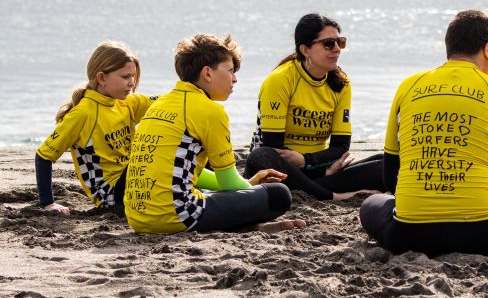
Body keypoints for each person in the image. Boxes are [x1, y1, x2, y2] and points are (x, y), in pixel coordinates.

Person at [360, 9, 488, 256]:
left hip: (405, 235)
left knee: (370, 204)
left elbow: (390, 178)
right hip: (482, 236)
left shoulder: (408, 86)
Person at [124, 33, 304, 235]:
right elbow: (228, 182)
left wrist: (250, 184)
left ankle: (247, 228)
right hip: (177, 216)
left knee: (210, 194)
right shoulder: (211, 111)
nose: (235, 79)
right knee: (278, 195)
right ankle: (245, 225)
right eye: (230, 71)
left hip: (137, 218)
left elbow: (188, 172)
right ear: (208, 73)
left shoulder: (160, 104)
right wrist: (249, 186)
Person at [244, 13, 384, 201]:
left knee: (387, 163)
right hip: (278, 171)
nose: (337, 49)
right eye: (328, 43)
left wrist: (312, 163)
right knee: (261, 155)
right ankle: (333, 195)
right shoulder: (280, 80)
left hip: (318, 169)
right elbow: (274, 147)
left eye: (340, 42)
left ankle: (318, 187)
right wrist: (313, 166)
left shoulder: (341, 83)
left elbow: (341, 147)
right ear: (305, 49)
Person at [35, 41, 153, 214]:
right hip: (110, 195)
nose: (132, 83)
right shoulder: (83, 113)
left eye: (133, 76)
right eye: (126, 77)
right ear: (102, 78)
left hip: (134, 180)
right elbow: (43, 156)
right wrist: (48, 203)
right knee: (153, 154)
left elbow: (167, 104)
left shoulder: (127, 102)